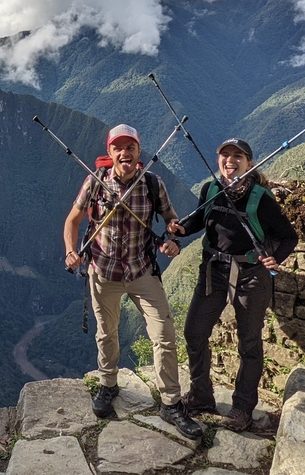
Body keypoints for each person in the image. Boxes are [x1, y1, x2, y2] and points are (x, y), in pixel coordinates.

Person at [63, 123, 204, 439]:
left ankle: (170, 402)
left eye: (130, 148)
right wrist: (71, 251)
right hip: (103, 272)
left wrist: (172, 240)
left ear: (139, 151)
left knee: (164, 334)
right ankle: (108, 384)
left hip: (142, 271)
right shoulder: (95, 182)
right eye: (118, 148)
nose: (124, 153)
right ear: (110, 152)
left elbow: (172, 220)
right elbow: (72, 219)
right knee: (106, 333)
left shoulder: (153, 184)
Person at [179, 138, 298, 432]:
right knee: (194, 332)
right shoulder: (211, 190)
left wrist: (275, 259)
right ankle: (201, 395)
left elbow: (289, 236)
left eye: (237, 156)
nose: (230, 161)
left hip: (251, 274)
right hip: (213, 271)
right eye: (225, 155)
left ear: (248, 162)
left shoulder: (260, 198)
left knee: (249, 343)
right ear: (218, 159)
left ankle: (242, 408)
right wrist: (179, 229)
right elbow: (199, 221)